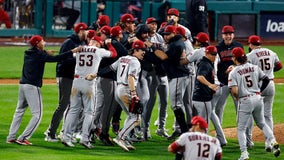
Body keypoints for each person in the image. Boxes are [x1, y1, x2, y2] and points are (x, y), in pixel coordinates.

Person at [6, 35, 81, 145]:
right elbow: (56, 59)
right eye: (42, 41)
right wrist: (71, 52)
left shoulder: (29, 53)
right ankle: (23, 138)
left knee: (19, 112)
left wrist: (45, 52)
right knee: (37, 114)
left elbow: (40, 55)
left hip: (22, 86)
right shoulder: (39, 55)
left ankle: (11, 137)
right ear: (37, 44)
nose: (44, 42)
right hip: (32, 87)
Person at [61, 36, 117, 149]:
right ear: (97, 43)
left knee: (73, 110)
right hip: (89, 82)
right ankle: (85, 139)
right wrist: (110, 44)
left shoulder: (80, 48)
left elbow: (71, 55)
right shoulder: (98, 50)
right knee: (89, 112)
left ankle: (66, 137)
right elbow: (114, 54)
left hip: (76, 81)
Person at [228, 47, 281, 159]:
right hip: (257, 98)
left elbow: (234, 91)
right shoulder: (255, 67)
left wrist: (237, 97)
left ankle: (244, 154)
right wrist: (259, 91)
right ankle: (273, 140)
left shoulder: (233, 72)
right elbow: (266, 80)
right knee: (262, 123)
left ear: (234, 58)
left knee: (241, 128)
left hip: (245, 100)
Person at [44, 22, 87, 142]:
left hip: (74, 77)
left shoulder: (82, 43)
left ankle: (67, 133)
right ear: (80, 31)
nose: (86, 32)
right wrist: (75, 59)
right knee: (63, 105)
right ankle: (50, 133)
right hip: (65, 76)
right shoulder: (69, 42)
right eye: (84, 30)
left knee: (73, 106)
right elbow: (62, 60)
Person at [107, 40, 146, 151]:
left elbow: (111, 69)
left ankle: (125, 138)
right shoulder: (135, 62)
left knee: (130, 115)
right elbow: (130, 77)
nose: (144, 52)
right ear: (135, 50)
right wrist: (134, 93)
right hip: (126, 89)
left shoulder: (122, 58)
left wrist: (96, 74)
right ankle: (121, 137)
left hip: (118, 89)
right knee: (136, 118)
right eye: (142, 50)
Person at [246, 35, 283, 150]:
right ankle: (269, 143)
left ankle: (249, 140)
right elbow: (280, 66)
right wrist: (270, 70)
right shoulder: (271, 52)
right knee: (268, 114)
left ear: (251, 44)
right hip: (270, 84)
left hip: (258, 86)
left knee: (251, 112)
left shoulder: (250, 55)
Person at [153, 25, 189, 139]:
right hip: (178, 75)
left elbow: (163, 56)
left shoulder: (176, 44)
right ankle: (183, 130)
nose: (166, 36)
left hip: (178, 75)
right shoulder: (177, 42)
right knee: (177, 105)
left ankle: (184, 131)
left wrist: (152, 48)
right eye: (165, 34)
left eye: (168, 34)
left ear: (174, 33)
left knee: (176, 105)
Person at [145, 17, 169, 138]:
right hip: (150, 74)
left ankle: (161, 127)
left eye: (155, 24)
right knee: (150, 102)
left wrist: (156, 53)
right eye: (151, 24)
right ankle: (145, 128)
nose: (154, 26)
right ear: (146, 24)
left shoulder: (160, 38)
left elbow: (163, 55)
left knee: (164, 102)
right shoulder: (144, 37)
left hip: (162, 73)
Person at [192, 45, 218, 125]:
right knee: (204, 123)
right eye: (212, 54)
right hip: (203, 98)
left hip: (198, 97)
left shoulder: (206, 62)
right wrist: (210, 85)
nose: (214, 56)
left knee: (196, 122)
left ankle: (195, 137)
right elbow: (200, 77)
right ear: (206, 54)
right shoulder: (205, 64)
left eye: (215, 54)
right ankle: (203, 137)